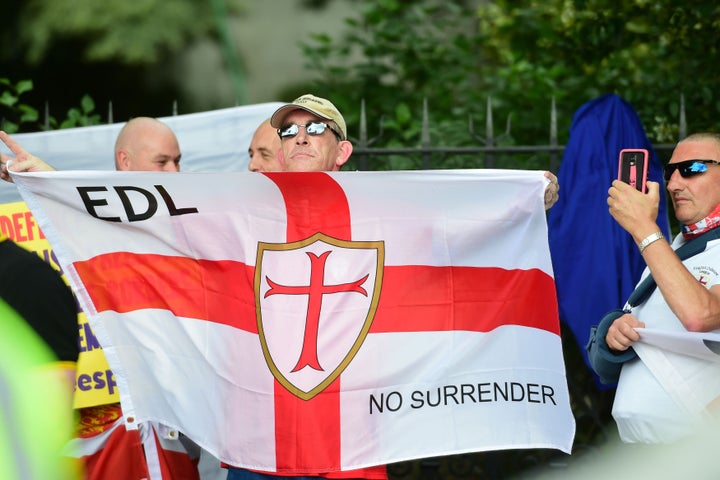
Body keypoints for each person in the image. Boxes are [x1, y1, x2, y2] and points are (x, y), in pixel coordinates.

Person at [222, 94, 560, 480]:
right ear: (281, 150)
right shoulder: (241, 214)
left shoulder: (380, 207)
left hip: (348, 431)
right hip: (263, 436)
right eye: (289, 130)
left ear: (342, 150)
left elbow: (458, 223)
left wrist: (522, 195)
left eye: (315, 128)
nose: (301, 137)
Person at [0, 119, 206, 480]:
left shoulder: (187, 228)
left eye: (177, 161)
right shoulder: (61, 242)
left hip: (166, 424)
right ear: (125, 161)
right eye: (162, 162)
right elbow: (102, 225)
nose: (175, 172)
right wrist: (49, 182)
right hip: (94, 433)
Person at [587, 132, 720, 444]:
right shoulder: (672, 249)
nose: (674, 184)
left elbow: (701, 315)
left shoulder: (655, 242)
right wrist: (614, 334)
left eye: (693, 169)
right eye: (670, 172)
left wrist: (644, 228)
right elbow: (614, 364)